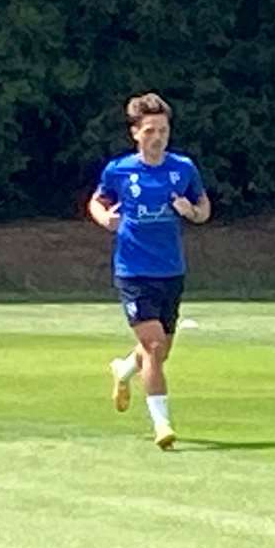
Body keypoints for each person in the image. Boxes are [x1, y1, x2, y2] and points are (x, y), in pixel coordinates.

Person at [88, 92, 211, 450]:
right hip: (134, 271)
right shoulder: (120, 170)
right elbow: (97, 200)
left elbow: (203, 208)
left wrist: (191, 211)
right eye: (151, 130)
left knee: (158, 350)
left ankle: (124, 370)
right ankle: (163, 426)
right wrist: (104, 217)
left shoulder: (183, 168)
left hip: (171, 270)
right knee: (155, 347)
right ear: (135, 133)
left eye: (164, 130)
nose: (158, 137)